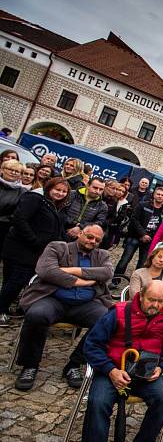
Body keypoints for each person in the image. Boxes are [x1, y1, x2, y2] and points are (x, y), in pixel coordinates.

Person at [67, 281, 163, 442]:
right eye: (151, 300)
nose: (155, 305)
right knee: (98, 403)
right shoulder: (117, 313)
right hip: (113, 369)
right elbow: (92, 344)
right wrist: (110, 370)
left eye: (160, 301)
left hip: (146, 373)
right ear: (141, 295)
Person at [12, 225, 113, 391]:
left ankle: (74, 364)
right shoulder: (58, 247)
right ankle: (30, 366)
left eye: (97, 240)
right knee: (37, 315)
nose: (92, 241)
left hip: (86, 304)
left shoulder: (102, 255)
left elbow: (107, 273)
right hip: (52, 299)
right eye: (89, 236)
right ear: (80, 233)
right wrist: (80, 281)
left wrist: (72, 270)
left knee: (107, 320)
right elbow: (46, 271)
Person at [0, 177, 70, 327]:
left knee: (14, 281)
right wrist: (34, 240)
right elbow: (20, 219)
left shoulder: (55, 206)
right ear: (49, 188)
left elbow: (57, 230)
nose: (60, 193)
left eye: (64, 191)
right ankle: (1, 309)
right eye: (57, 190)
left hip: (34, 252)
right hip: (21, 250)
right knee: (16, 280)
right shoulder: (35, 199)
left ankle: (4, 306)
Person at [114, 186, 163, 276]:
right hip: (135, 236)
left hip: (150, 241)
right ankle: (115, 279)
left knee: (143, 264)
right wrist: (143, 234)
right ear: (153, 195)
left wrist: (151, 237)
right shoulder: (142, 205)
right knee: (125, 259)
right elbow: (134, 219)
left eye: (162, 195)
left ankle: (135, 283)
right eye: (158, 194)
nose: (160, 196)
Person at [0, 159, 24, 252]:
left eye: (17, 171)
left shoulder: (22, 192)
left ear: (20, 175)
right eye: (10, 169)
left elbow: (18, 213)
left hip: (3, 230)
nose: (13, 172)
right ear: (2, 170)